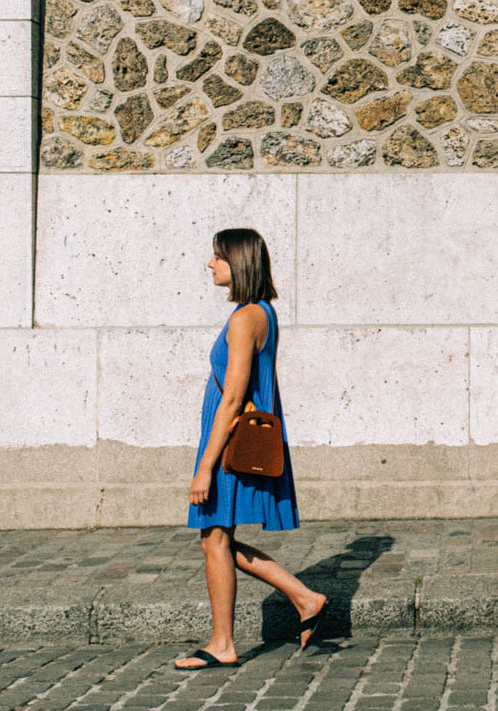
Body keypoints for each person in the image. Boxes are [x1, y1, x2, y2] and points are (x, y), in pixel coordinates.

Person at [175, 228, 327, 670]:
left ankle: (224, 643)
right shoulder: (261, 312)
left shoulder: (245, 320)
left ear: (238, 262)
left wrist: (205, 467)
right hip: (226, 439)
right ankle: (305, 597)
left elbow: (233, 397)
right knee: (216, 539)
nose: (210, 264)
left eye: (218, 256)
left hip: (226, 444)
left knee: (215, 538)